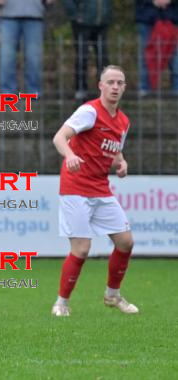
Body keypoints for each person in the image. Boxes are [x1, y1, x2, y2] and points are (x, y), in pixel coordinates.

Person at [51, 65, 138, 317]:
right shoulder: (89, 111)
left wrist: (121, 164)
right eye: (110, 82)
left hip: (100, 187)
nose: (114, 87)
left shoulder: (123, 121)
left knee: (125, 242)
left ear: (124, 88)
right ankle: (61, 303)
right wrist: (69, 155)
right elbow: (59, 137)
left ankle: (112, 295)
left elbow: (114, 151)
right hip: (75, 186)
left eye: (119, 83)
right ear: (100, 85)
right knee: (81, 248)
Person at [0, 0, 54, 96]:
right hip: (7, 16)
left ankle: (34, 92)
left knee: (34, 58)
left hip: (35, 14)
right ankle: (7, 93)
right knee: (7, 57)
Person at [62, 0, 112, 101]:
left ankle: (105, 89)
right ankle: (80, 88)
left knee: (103, 58)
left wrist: (107, 14)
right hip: (82, 22)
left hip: (102, 22)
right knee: (82, 56)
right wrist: (75, 15)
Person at [135, 0, 178, 97]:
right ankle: (144, 90)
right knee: (146, 55)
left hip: (172, 17)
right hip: (146, 17)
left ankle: (176, 90)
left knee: (175, 57)